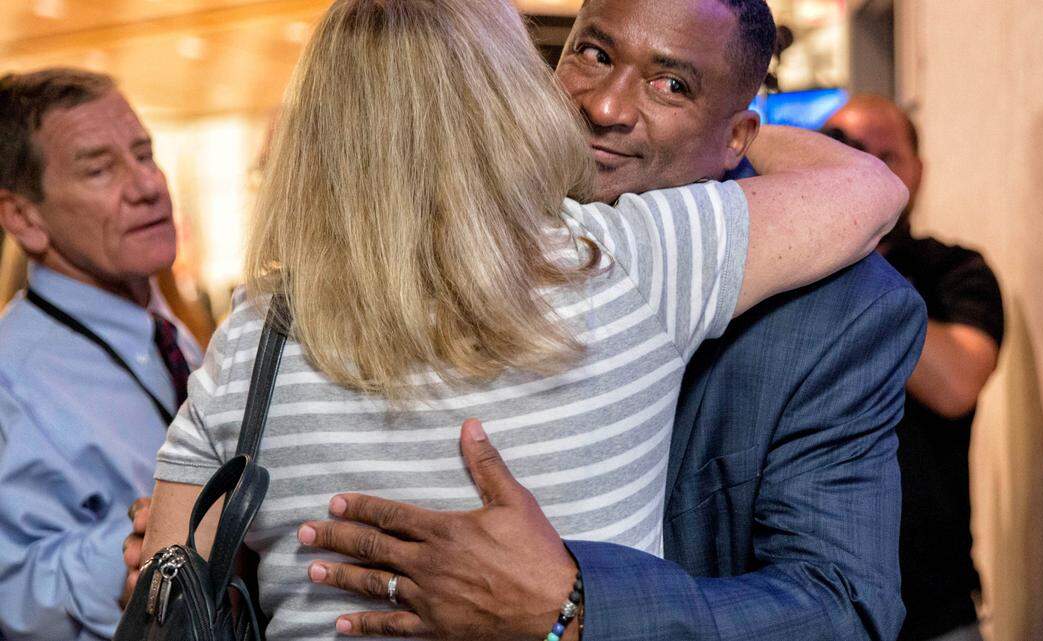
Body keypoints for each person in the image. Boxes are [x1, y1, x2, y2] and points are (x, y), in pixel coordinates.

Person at [131, 0, 907, 639]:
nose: (605, 108)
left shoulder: (254, 335)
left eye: (672, 84)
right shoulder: (627, 262)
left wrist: (576, 610)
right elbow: (865, 185)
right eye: (593, 56)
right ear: (520, 90)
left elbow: (164, 592)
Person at [0, 69, 203, 641]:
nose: (147, 186)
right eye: (100, 169)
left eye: (145, 153)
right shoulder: (10, 380)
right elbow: (10, 588)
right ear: (23, 218)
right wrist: (142, 549)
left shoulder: (168, 335)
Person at [824, 94, 1004, 641]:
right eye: (850, 155)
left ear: (918, 172)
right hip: (802, 596)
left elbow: (954, 385)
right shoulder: (784, 266)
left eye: (888, 157)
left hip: (931, 601)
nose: (871, 173)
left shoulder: (952, 270)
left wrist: (848, 250)